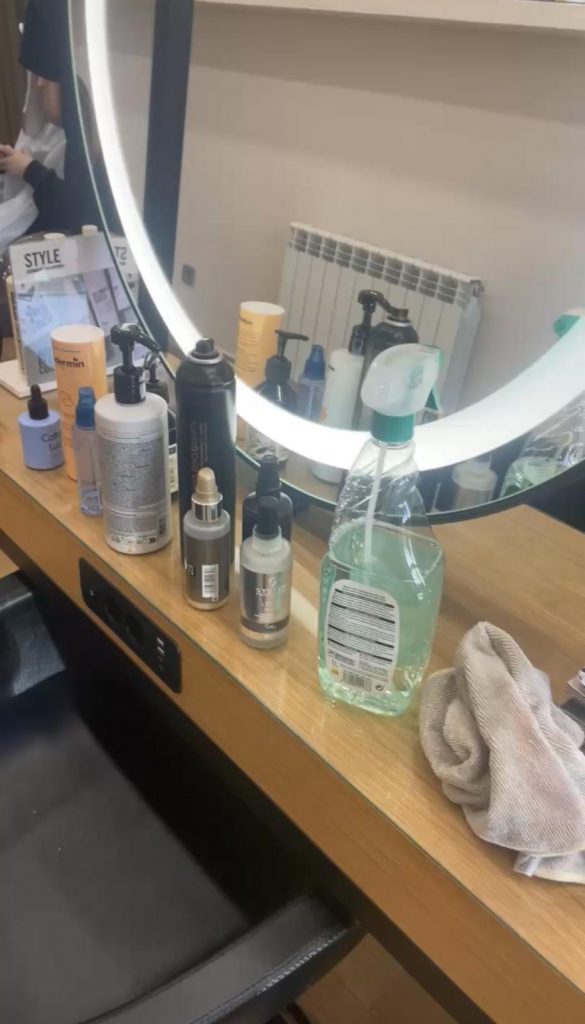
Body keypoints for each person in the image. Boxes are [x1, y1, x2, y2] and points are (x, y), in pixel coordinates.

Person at [0, 0, 117, 235]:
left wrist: (30, 170)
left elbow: (74, 211)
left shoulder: (94, 150)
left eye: (47, 76)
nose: (40, 84)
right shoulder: (74, 139)